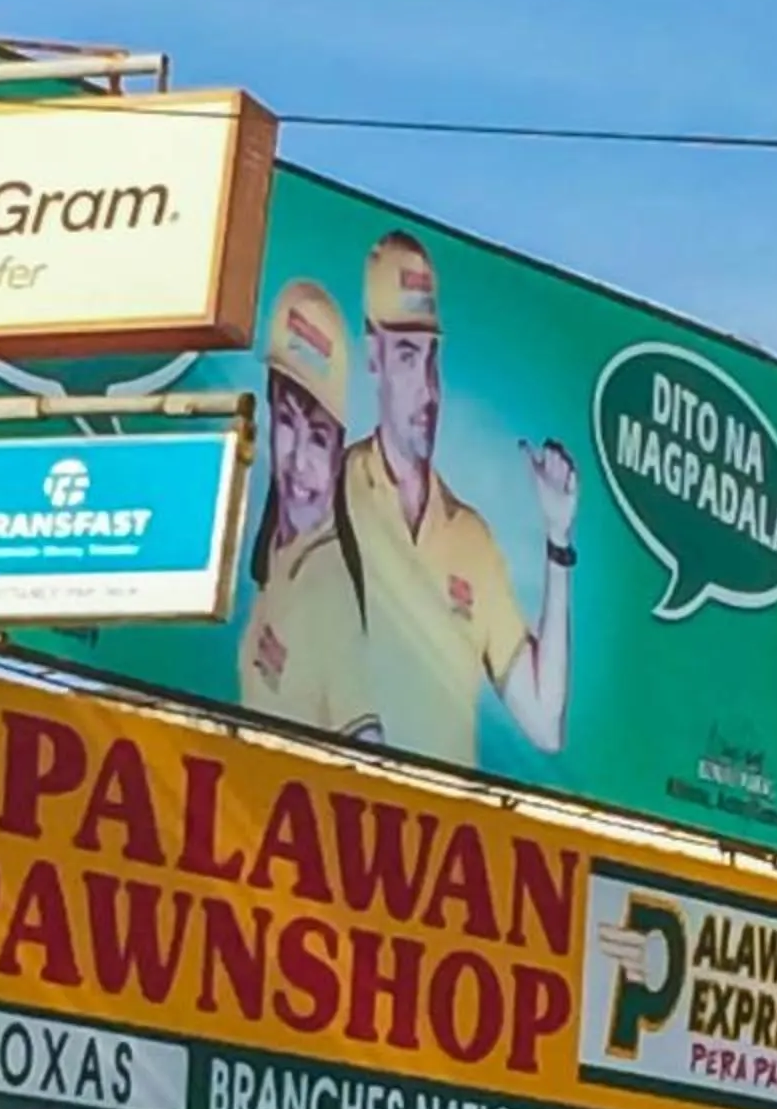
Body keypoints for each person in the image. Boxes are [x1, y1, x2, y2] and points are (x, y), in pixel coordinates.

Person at [343, 229, 578, 766]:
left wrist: (558, 541)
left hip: (446, 834)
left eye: (432, 357)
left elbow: (545, 723)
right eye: (406, 355)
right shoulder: (334, 494)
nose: (427, 388)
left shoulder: (470, 536)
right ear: (371, 355)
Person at [237, 280, 382, 744]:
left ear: (340, 452)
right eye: (286, 421)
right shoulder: (278, 560)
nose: (298, 459)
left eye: (319, 438)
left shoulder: (330, 580)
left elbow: (370, 749)